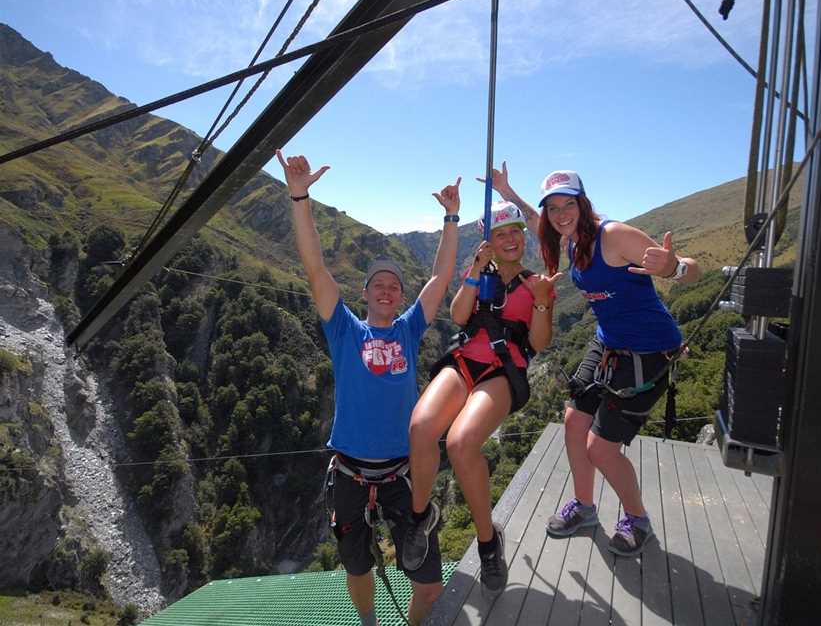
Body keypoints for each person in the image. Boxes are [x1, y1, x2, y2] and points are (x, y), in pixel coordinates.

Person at [276, 150, 460, 626]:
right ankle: (370, 624)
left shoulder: (408, 329)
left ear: (400, 296)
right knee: (356, 567)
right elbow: (314, 266)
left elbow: (440, 278)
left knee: (430, 581)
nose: (386, 290)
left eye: (394, 285)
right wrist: (300, 196)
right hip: (350, 475)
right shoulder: (344, 330)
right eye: (377, 284)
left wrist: (451, 218)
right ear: (363, 293)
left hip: (404, 475)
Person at [489, 162, 700, 557]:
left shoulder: (614, 235)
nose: (560, 214)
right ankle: (585, 508)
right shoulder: (569, 238)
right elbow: (536, 221)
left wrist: (673, 267)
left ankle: (637, 519)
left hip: (649, 350)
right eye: (553, 208)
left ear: (583, 203)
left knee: (600, 449)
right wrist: (507, 191)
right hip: (608, 343)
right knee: (573, 423)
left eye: (568, 205)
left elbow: (691, 269)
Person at [402, 200, 561, 596]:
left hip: (503, 372)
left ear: (523, 236)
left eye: (515, 232)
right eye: (500, 234)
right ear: (489, 240)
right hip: (465, 360)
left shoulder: (536, 282)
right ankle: (420, 516)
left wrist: (541, 300)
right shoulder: (480, 274)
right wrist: (474, 271)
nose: (509, 240)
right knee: (421, 427)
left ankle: (488, 540)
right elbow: (459, 317)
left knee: (461, 442)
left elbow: (539, 343)